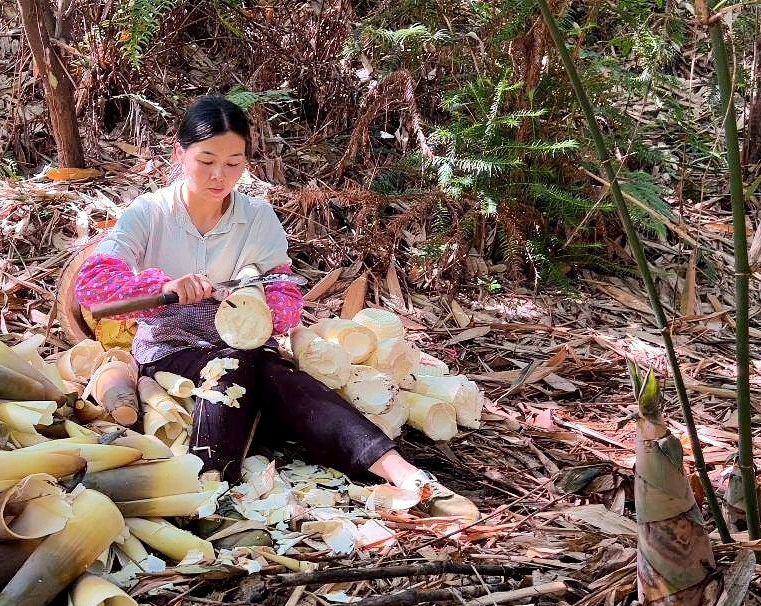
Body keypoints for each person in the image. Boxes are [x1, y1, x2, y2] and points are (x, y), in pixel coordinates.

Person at [74, 95, 478, 520]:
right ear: (180, 153)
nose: (219, 175)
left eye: (233, 163)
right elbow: (94, 288)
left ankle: (406, 475)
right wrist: (166, 285)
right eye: (206, 160)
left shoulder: (257, 217)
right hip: (172, 350)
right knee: (238, 368)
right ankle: (208, 487)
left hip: (247, 346)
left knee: (268, 371)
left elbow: (285, 302)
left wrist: (251, 303)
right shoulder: (149, 213)